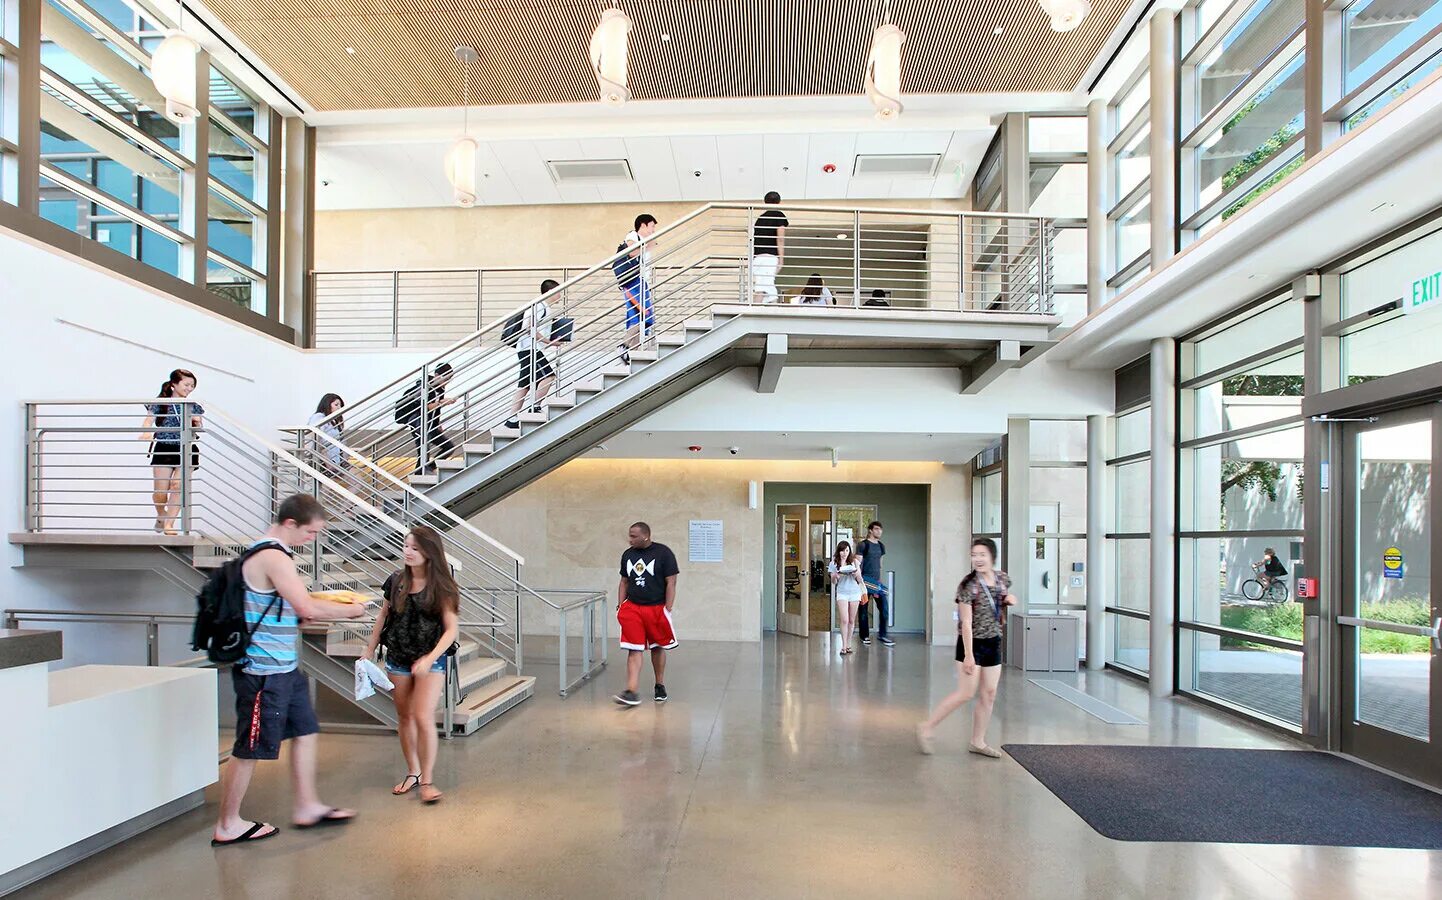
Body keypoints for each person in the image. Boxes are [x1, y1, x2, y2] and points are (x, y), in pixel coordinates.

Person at [211, 493, 369, 846]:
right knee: (250, 747)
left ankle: (307, 805)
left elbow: (289, 607)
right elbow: (305, 608)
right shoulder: (272, 556)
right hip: (263, 671)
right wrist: (352, 611)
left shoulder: (270, 554)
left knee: (305, 730)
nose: (311, 540)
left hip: (283, 667)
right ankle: (227, 824)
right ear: (290, 524)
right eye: (310, 533)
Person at [364, 525, 460, 805]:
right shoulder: (396, 581)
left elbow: (451, 629)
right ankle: (413, 773)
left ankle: (428, 780)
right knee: (404, 717)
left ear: (430, 553)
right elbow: (383, 615)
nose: (408, 552)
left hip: (431, 658)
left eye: (415, 548)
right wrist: (369, 648)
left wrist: (429, 659)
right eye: (406, 546)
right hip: (398, 655)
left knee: (422, 717)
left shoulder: (442, 586)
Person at [916, 537, 1018, 759]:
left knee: (989, 693)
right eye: (974, 555)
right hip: (971, 644)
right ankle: (927, 726)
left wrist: (1009, 599)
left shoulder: (1002, 578)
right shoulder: (968, 586)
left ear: (992, 556)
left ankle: (977, 741)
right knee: (965, 693)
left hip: (994, 641)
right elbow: (966, 622)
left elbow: (1002, 597)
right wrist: (970, 656)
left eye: (982, 554)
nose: (977, 559)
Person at [613, 522, 679, 706]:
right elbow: (624, 582)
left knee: (657, 647)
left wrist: (667, 608)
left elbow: (671, 582)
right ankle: (631, 691)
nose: (630, 539)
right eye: (629, 535)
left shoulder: (663, 553)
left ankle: (659, 684)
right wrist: (621, 605)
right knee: (634, 648)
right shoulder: (628, 554)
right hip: (633, 607)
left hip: (656, 608)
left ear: (646, 536)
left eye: (634, 536)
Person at [142, 368, 203, 535]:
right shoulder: (160, 403)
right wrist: (146, 431)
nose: (189, 389)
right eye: (186, 385)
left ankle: (170, 524)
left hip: (187, 447)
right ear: (174, 384)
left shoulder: (193, 406)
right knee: (160, 492)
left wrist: (196, 422)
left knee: (177, 486)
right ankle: (161, 516)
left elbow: (199, 427)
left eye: (192, 386)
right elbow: (148, 420)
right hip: (164, 447)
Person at [505, 282, 562, 430]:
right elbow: (529, 328)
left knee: (524, 384)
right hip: (530, 349)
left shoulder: (543, 307)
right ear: (550, 291)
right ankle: (534, 407)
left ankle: (512, 419)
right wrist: (548, 342)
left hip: (528, 348)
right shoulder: (539, 306)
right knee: (549, 376)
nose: (560, 295)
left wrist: (550, 341)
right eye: (558, 292)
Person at [396, 362, 457, 475]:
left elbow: (436, 410)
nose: (447, 382)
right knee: (424, 453)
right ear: (437, 375)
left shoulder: (440, 389)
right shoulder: (425, 386)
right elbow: (425, 406)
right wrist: (442, 402)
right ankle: (420, 476)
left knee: (448, 447)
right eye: (446, 378)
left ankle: (428, 468)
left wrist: (438, 424)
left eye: (449, 379)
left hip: (430, 424)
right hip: (418, 423)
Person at [617, 214, 658, 364]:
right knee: (645, 316)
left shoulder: (643, 240)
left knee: (637, 318)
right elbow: (632, 252)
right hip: (633, 282)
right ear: (643, 225)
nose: (653, 229)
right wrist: (647, 245)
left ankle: (631, 354)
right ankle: (625, 345)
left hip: (640, 282)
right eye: (652, 226)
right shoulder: (633, 235)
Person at [856, 521, 893, 647]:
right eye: (876, 529)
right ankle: (864, 636)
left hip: (876, 583)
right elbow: (857, 565)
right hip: (864, 582)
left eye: (880, 529)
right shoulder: (863, 545)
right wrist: (859, 583)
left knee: (884, 610)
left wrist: (879, 582)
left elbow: (880, 566)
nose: (879, 531)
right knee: (863, 611)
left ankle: (882, 635)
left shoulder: (881, 546)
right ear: (870, 530)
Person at [751, 191, 788, 303]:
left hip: (758, 258)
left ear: (765, 202)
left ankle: (767, 313)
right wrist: (781, 259)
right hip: (769, 258)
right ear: (779, 202)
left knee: (766, 288)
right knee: (763, 289)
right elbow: (780, 238)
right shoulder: (779, 215)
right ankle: (753, 314)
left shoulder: (759, 219)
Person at [829, 541, 864, 655]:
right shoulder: (833, 563)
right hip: (842, 593)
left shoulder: (854, 562)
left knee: (851, 620)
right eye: (842, 550)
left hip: (854, 592)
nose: (844, 553)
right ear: (839, 551)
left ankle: (849, 644)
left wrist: (855, 574)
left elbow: (860, 580)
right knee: (844, 619)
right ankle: (843, 645)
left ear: (850, 551)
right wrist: (836, 575)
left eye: (847, 550)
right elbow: (833, 582)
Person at [307, 393, 346, 473]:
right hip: (324, 461)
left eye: (340, 405)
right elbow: (315, 439)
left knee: (358, 481)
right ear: (327, 404)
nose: (339, 407)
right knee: (328, 484)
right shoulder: (319, 417)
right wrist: (327, 461)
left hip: (336, 460)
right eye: (336, 404)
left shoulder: (335, 421)